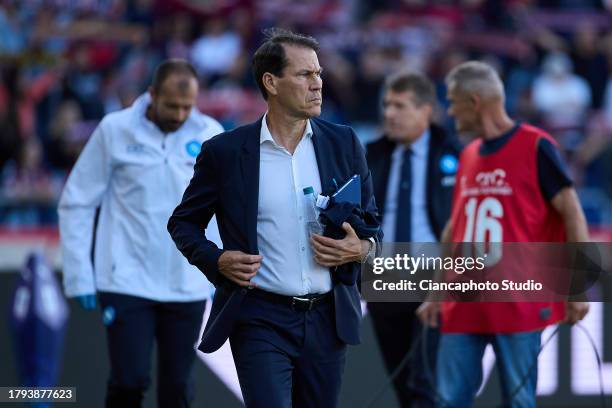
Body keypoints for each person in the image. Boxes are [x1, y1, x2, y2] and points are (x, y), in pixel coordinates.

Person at [167, 28, 382, 408]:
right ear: (271, 82)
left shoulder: (344, 142)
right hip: (260, 317)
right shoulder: (226, 152)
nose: (318, 84)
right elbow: (183, 223)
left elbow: (372, 227)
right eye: (305, 75)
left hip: (328, 319)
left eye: (319, 74)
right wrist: (216, 259)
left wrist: (361, 248)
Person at [417, 61, 590, 408]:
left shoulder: (535, 145)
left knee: (517, 401)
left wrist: (577, 286)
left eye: (453, 102)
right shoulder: (466, 155)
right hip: (464, 299)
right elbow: (456, 226)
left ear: (476, 101)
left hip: (518, 300)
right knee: (448, 400)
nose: (450, 112)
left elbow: (571, 210)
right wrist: (436, 291)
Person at [58, 59, 224, 407]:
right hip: (126, 281)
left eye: (186, 106)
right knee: (129, 382)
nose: (180, 115)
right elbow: (77, 201)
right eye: (171, 106)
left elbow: (224, 207)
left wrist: (218, 272)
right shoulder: (114, 130)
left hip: (187, 284)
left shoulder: (210, 133)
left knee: (178, 389)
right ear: (151, 95)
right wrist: (79, 276)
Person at [366, 71, 461, 408]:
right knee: (403, 384)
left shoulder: (456, 153)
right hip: (384, 277)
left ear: (426, 111)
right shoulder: (371, 155)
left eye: (400, 106)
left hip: (435, 276)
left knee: (425, 381)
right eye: (386, 105)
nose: (389, 113)